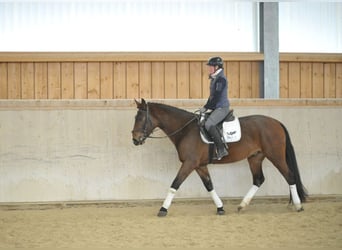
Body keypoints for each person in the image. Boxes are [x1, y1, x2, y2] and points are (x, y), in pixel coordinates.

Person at [200, 56, 230, 160]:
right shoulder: (215, 79)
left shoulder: (221, 80)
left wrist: (207, 107)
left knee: (209, 124)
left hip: (222, 108)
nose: (209, 69)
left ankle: (221, 149)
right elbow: (211, 97)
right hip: (216, 108)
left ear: (217, 67)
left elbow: (217, 96)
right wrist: (205, 107)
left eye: (210, 67)